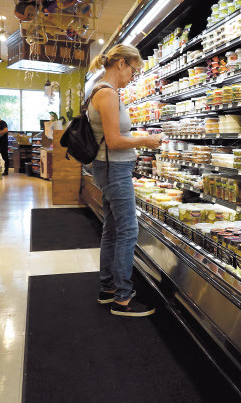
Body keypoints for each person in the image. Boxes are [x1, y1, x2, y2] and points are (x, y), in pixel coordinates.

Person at [88, 45, 163, 317]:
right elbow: (114, 141)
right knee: (128, 230)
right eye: (134, 70)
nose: (134, 76)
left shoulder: (99, 88)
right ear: (121, 63)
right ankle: (123, 298)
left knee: (112, 229)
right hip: (114, 169)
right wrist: (146, 139)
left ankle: (108, 288)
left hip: (108, 167)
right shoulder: (107, 93)